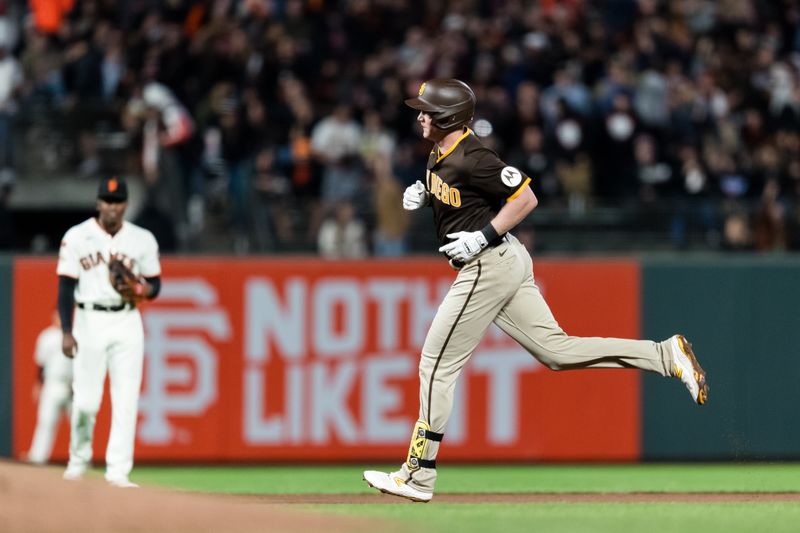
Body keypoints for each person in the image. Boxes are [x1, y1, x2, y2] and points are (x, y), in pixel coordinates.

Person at [363, 79, 709, 503]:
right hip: (504, 262)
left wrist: (482, 236)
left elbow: (526, 199)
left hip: (487, 264)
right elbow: (461, 193)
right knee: (556, 352)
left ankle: (418, 475)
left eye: (427, 110)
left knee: (436, 363)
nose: (419, 115)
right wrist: (428, 196)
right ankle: (664, 355)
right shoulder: (440, 150)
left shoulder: (476, 156)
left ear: (448, 118)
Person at [57, 176, 161, 488]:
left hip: (127, 320)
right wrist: (66, 329)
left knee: (126, 399)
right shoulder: (76, 237)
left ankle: (118, 472)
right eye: (106, 200)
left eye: (117, 201)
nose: (111, 207)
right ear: (98, 203)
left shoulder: (143, 239)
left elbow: (155, 285)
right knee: (87, 401)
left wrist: (143, 288)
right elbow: (64, 286)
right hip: (88, 319)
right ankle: (78, 461)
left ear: (125, 204)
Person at [26, 310, 72, 465]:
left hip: (73, 386)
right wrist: (38, 385)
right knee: (46, 421)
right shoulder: (47, 336)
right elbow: (40, 364)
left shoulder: (77, 334)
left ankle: (81, 460)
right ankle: (38, 457)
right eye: (57, 314)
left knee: (79, 423)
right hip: (53, 383)